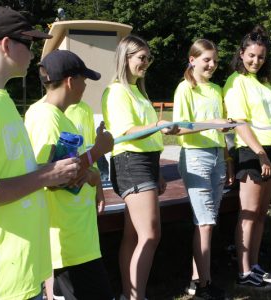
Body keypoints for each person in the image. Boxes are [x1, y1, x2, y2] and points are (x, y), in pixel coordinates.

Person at [0, 7, 80, 300]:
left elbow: (11, 174)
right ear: (6, 45)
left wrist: (49, 172)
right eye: (29, 44)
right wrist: (47, 174)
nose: (35, 56)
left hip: (23, 271)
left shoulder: (1, 99)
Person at [24, 49, 114, 300]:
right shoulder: (44, 118)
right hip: (68, 243)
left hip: (79, 239)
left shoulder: (58, 117)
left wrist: (94, 178)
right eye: (84, 79)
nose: (85, 85)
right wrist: (98, 150)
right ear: (70, 81)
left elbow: (71, 171)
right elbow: (52, 178)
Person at [101, 34, 178, 300]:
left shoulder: (137, 91)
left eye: (148, 58)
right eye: (141, 58)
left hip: (145, 163)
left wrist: (156, 170)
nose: (146, 63)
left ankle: (129, 294)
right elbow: (126, 131)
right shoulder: (116, 91)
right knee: (150, 234)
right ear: (126, 58)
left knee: (134, 235)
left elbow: (147, 134)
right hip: (131, 163)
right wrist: (159, 126)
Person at [173, 39, 234, 299]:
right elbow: (180, 126)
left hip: (217, 158)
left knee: (206, 222)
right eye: (206, 59)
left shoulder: (217, 89)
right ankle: (204, 285)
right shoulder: (185, 88)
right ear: (192, 60)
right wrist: (212, 123)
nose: (211, 64)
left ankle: (197, 279)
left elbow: (222, 131)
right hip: (195, 156)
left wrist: (227, 160)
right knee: (206, 222)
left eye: (215, 60)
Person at [223, 25, 271, 290]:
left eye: (260, 56)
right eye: (251, 55)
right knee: (247, 214)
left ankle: (254, 265)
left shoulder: (263, 83)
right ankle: (244, 272)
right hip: (252, 152)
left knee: (260, 215)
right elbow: (240, 123)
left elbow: (269, 120)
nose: (256, 61)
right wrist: (260, 154)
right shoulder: (236, 82)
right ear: (241, 53)